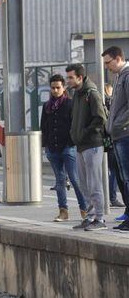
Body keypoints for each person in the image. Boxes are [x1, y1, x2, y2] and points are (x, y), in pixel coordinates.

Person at [41, 74, 88, 221]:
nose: (55, 90)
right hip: (52, 148)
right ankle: (63, 211)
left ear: (63, 87)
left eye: (58, 87)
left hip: (68, 147)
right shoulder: (47, 106)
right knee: (59, 181)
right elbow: (44, 126)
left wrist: (71, 141)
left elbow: (75, 124)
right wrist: (45, 145)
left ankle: (84, 209)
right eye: (53, 88)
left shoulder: (70, 103)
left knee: (74, 179)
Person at [66, 64, 107, 231]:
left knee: (94, 182)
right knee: (84, 183)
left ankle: (100, 218)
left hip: (93, 144)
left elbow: (100, 118)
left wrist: (83, 132)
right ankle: (89, 217)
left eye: (70, 77)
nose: (68, 80)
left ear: (79, 77)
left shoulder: (92, 94)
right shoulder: (77, 94)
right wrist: (74, 134)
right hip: (81, 145)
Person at [102, 46, 129, 231]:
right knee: (124, 177)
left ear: (118, 58)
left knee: (127, 177)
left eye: (108, 62)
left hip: (125, 134)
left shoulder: (126, 76)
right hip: (119, 134)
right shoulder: (119, 76)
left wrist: (119, 124)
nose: (106, 67)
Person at [104, 83, 125, 208]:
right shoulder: (110, 103)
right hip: (113, 140)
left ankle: (111, 197)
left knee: (112, 171)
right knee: (114, 171)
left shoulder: (107, 102)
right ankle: (112, 197)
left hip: (108, 141)